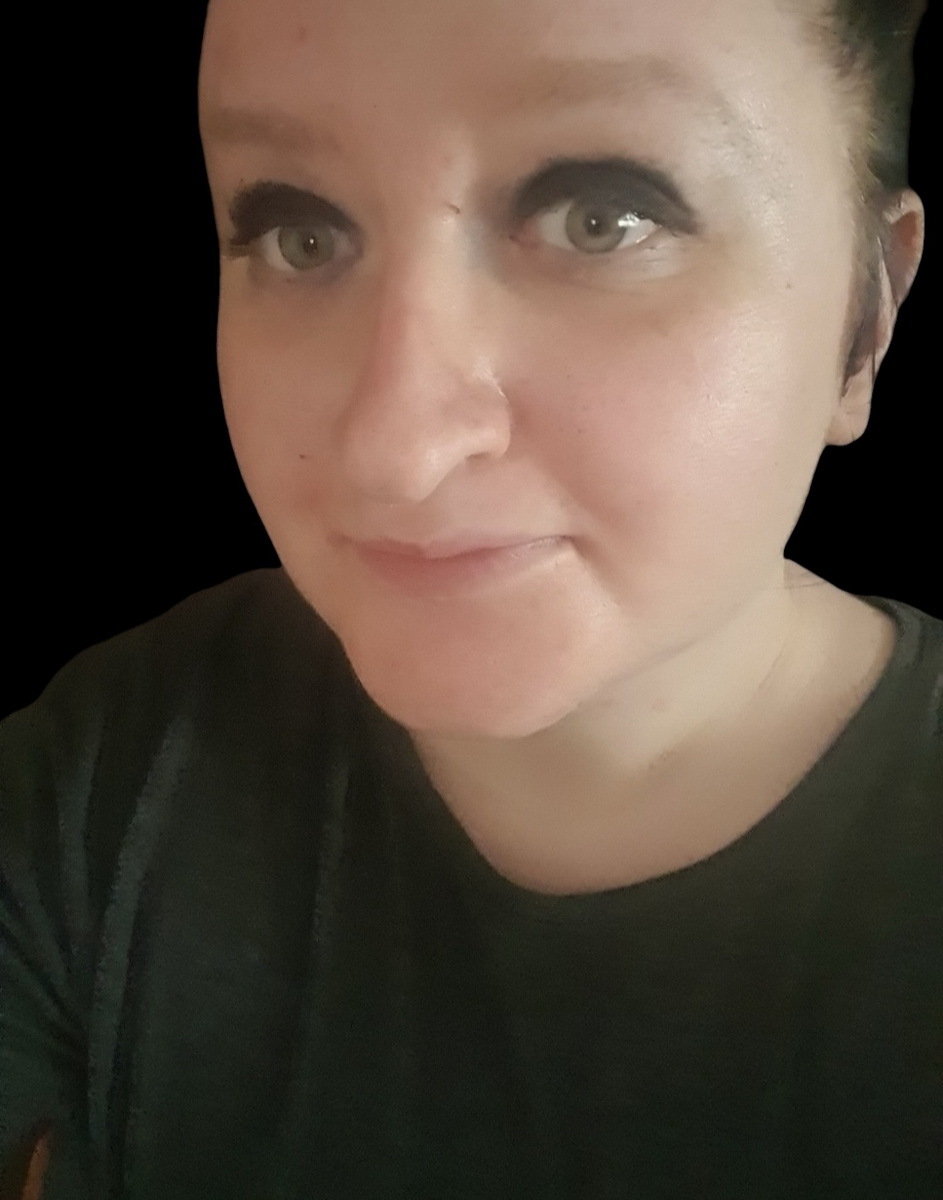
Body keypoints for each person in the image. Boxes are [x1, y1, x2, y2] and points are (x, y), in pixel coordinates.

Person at [1, 0, 938, 1197]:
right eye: (299, 233)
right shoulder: (110, 777)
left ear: (867, 317)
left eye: (602, 217)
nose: (395, 448)